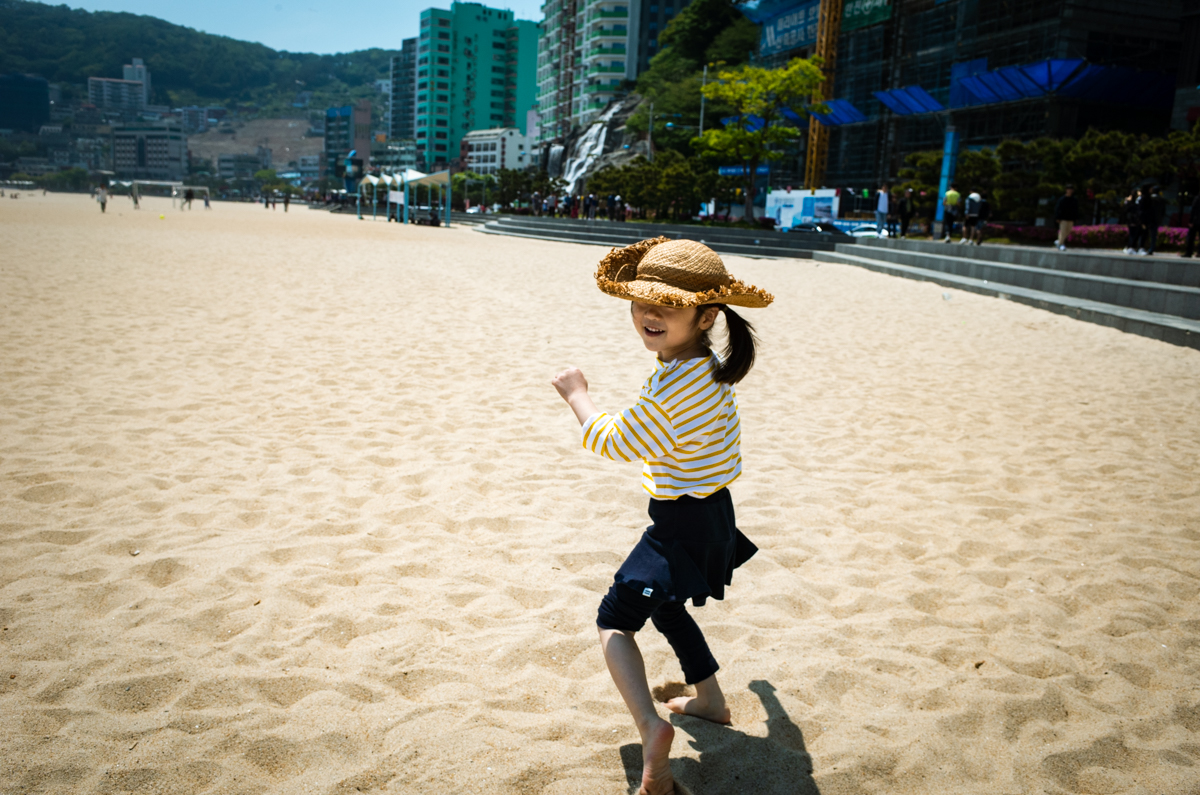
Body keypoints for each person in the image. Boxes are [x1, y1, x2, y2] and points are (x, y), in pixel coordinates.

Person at [551, 238, 771, 795]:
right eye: (641, 301)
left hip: (684, 522)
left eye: (668, 305)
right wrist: (771, 705)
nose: (649, 313)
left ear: (706, 316)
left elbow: (613, 440)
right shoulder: (702, 363)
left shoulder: (679, 384)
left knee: (614, 621)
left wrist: (577, 396)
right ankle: (711, 700)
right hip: (713, 512)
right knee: (668, 605)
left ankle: (651, 728)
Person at [1054, 184, 1078, 251]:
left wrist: (1076, 218)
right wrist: (1057, 217)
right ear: (1066, 190)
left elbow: (1075, 209)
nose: (1069, 191)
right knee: (1063, 231)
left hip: (1070, 218)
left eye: (1071, 189)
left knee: (1068, 231)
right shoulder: (1062, 199)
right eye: (1068, 189)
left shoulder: (1074, 200)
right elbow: (1058, 208)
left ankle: (1059, 241)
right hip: (1063, 219)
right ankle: (1061, 244)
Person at [1183, 192, 1200, 258]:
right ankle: (1199, 253)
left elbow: (1193, 209)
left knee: (1191, 238)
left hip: (1195, 221)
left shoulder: (1197, 198)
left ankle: (1189, 252)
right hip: (1196, 221)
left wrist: (1191, 221)